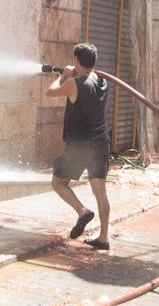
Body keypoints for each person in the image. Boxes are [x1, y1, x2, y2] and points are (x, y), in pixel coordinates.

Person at [47, 42, 111, 250]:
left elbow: (51, 92)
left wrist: (63, 75)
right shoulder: (102, 81)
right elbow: (87, 84)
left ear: (77, 60)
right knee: (100, 191)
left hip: (80, 145)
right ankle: (103, 238)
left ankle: (82, 211)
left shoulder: (73, 83)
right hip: (101, 142)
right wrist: (74, 74)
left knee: (58, 183)